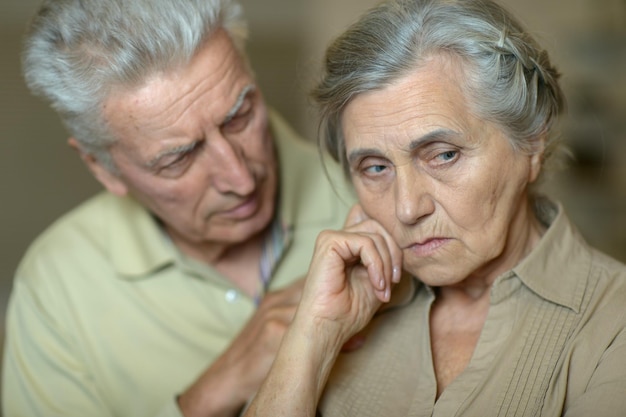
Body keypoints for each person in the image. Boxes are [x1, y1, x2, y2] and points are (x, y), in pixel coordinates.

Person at [243, 0, 626, 415]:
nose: (407, 208)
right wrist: (314, 335)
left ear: (531, 142)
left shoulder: (611, 325)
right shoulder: (341, 305)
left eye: (443, 155)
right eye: (375, 167)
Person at [2, 0, 353, 416]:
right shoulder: (58, 287)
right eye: (178, 159)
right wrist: (209, 395)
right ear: (104, 170)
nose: (240, 179)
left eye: (239, 116)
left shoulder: (374, 199)